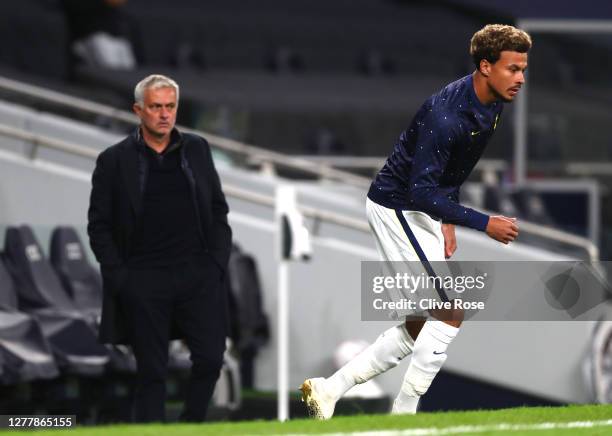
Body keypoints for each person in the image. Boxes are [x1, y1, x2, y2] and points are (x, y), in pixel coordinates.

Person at [300, 24, 530, 419]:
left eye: (523, 69)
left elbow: (452, 169)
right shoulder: (446, 115)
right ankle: (404, 417)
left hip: (422, 205)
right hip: (398, 206)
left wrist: (448, 217)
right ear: (486, 66)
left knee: (421, 323)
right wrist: (483, 221)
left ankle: (329, 389)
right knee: (451, 310)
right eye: (513, 69)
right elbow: (421, 191)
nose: (521, 79)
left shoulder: (492, 103)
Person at [87, 74, 232, 422]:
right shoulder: (114, 160)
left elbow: (217, 210)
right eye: (156, 107)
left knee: (211, 359)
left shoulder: (197, 149)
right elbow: (99, 225)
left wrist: (216, 264)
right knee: (152, 372)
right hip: (143, 279)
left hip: (197, 275)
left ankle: (191, 425)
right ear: (139, 110)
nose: (165, 114)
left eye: (170, 106)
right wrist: (121, 278)